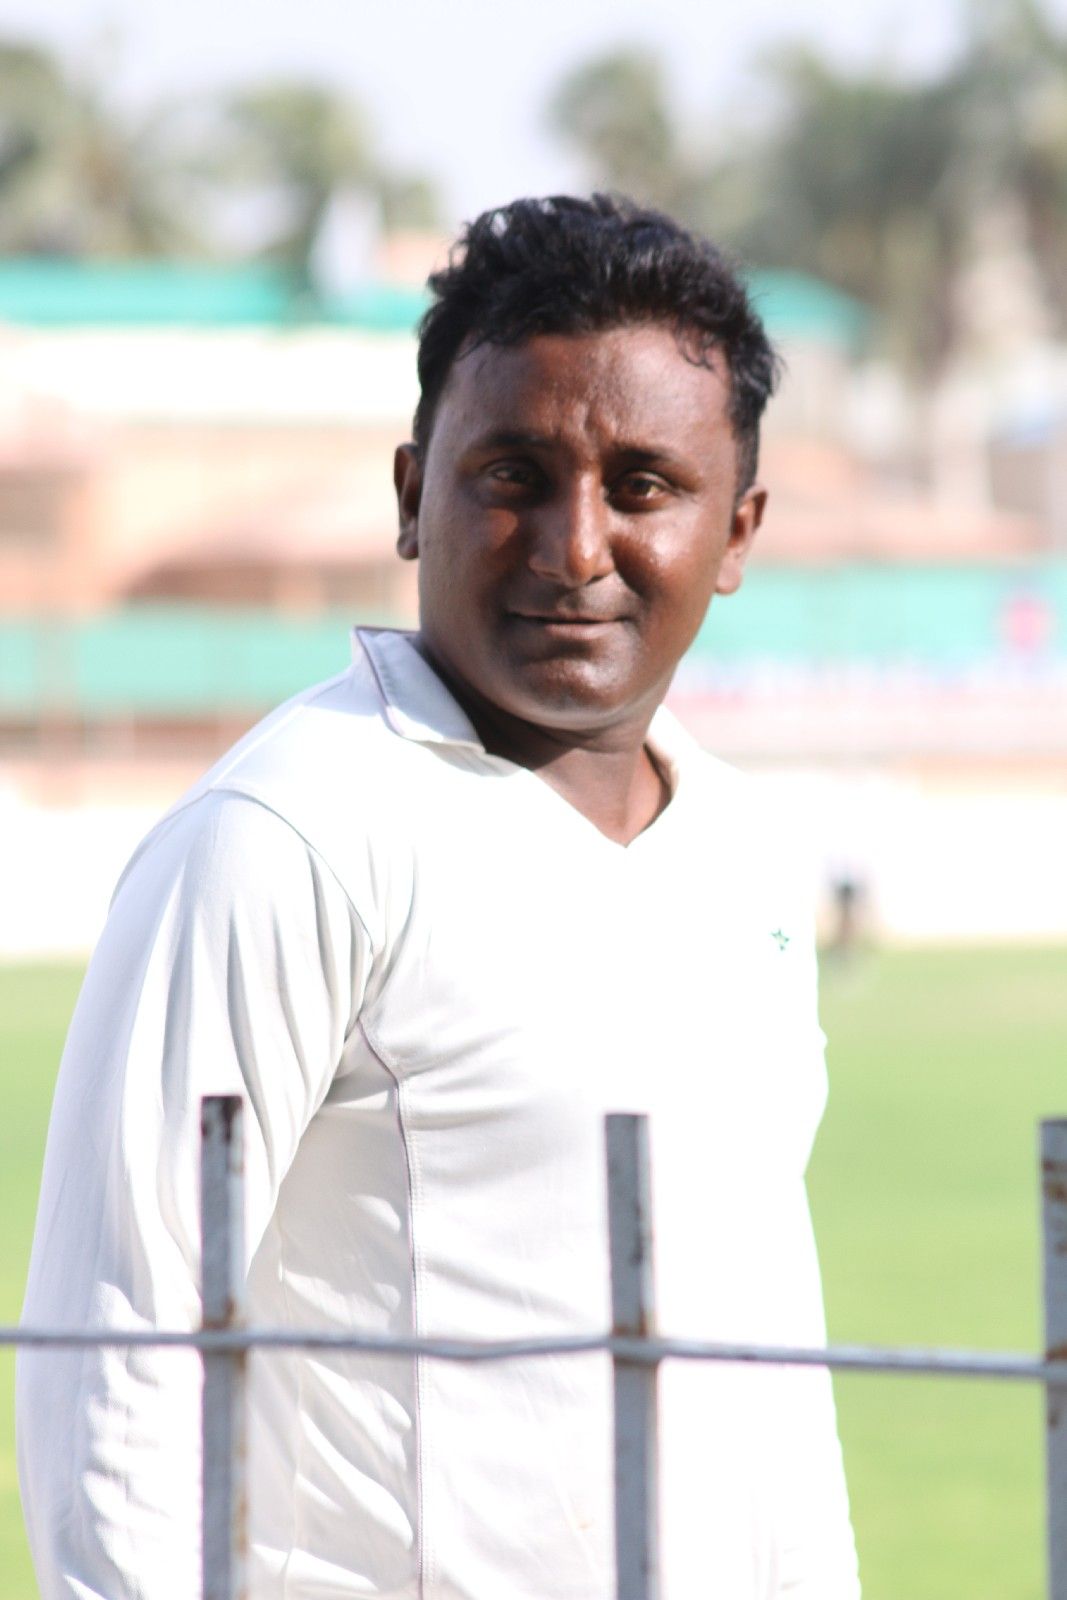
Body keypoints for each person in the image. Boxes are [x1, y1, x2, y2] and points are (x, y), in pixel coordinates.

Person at [17, 194, 860, 1599]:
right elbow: (116, 1348)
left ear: (737, 532)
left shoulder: (743, 854)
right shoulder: (285, 834)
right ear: (414, 496)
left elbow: (769, 1365)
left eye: (643, 486)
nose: (574, 548)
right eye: (514, 473)